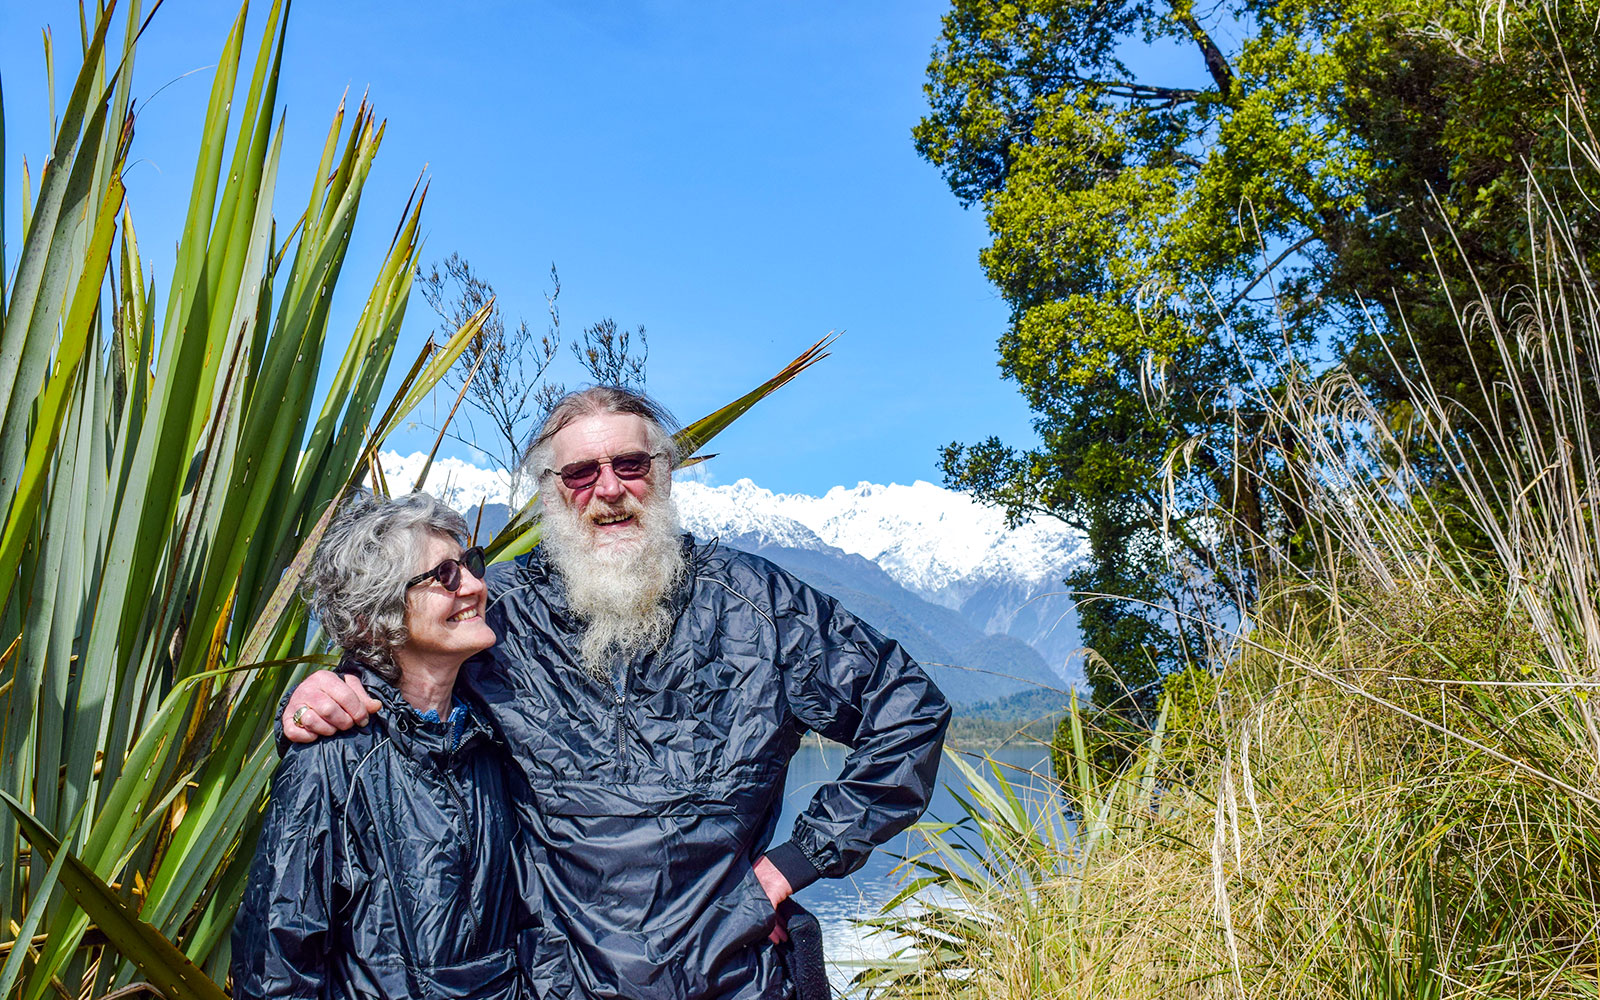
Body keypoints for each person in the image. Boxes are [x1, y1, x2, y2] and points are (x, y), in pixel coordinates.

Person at [281, 387, 952, 1000]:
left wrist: (789, 866)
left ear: (662, 472)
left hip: (736, 974)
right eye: (581, 473)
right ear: (552, 489)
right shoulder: (494, 613)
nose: (609, 489)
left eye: (630, 464)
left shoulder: (757, 606)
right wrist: (314, 700)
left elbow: (909, 713)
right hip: (556, 982)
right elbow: (389, 684)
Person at [234, 492, 530, 1000]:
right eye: (445, 576)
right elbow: (279, 962)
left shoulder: (496, 734)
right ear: (378, 617)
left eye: (470, 565)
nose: (477, 585)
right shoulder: (331, 758)